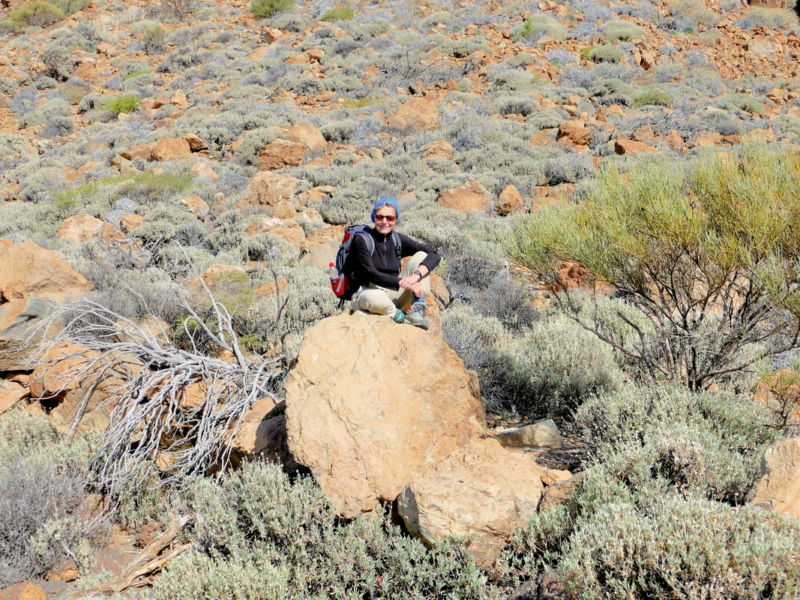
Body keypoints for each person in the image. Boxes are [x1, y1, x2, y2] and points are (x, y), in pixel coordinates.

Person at [350, 198, 440, 329]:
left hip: (394, 292)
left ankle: (416, 310)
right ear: (373, 217)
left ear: (396, 219)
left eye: (390, 218)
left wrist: (415, 276)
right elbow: (370, 273)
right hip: (369, 291)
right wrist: (402, 282)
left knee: (422, 256)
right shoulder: (362, 240)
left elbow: (434, 254)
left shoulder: (397, 239)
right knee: (371, 298)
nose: (384, 221)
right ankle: (399, 317)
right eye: (380, 217)